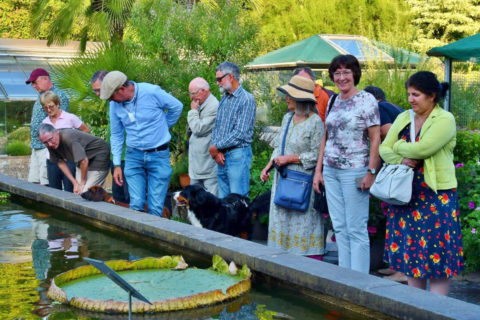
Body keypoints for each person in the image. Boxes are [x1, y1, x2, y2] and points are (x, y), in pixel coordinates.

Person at [379, 71, 464, 295]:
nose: (410, 100)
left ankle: (437, 312)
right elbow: (383, 149)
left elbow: (423, 149)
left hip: (436, 197)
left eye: (416, 95)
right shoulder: (403, 117)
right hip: (405, 197)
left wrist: (398, 147)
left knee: (438, 263)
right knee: (412, 259)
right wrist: (402, 157)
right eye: (409, 94)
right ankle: (417, 310)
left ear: (432, 96)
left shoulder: (445, 119)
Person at [313, 54, 381, 273]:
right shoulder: (333, 100)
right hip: (331, 171)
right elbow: (326, 136)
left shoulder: (367, 100)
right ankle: (345, 277)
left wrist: (371, 171)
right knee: (339, 227)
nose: (341, 77)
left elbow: (375, 138)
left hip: (355, 171)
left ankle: (359, 281)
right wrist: (319, 171)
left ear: (355, 74)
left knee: (356, 228)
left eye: (346, 72)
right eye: (337, 73)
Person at [100, 71, 183, 216]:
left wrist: (163, 126)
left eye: (112, 97)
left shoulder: (151, 92)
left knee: (156, 207)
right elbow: (116, 134)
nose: (111, 101)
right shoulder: (114, 106)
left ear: (121, 89)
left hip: (159, 154)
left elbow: (177, 107)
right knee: (136, 204)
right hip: (133, 155)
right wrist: (117, 164)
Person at [261, 75, 324, 256]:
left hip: (302, 182)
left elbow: (317, 154)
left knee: (303, 222)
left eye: (291, 95)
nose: (286, 98)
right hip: (282, 180)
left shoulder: (315, 122)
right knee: (282, 220)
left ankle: (307, 262)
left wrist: (290, 159)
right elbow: (279, 147)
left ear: (301, 99)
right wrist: (268, 166)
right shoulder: (287, 118)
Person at [209, 61, 256, 198]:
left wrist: (216, 147)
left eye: (219, 79)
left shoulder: (247, 99)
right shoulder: (225, 98)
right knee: (224, 204)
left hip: (237, 155)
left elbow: (240, 133)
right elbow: (217, 126)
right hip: (222, 156)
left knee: (238, 202)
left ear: (230, 77)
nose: (217, 83)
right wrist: (217, 150)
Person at [90, 70, 130, 204]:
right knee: (118, 197)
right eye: (94, 91)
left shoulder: (122, 101)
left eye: (98, 90)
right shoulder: (111, 103)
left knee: (128, 197)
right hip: (116, 156)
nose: (97, 94)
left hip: (127, 156)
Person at [26, 68, 69, 186]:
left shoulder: (58, 96)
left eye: (35, 82)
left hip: (47, 147)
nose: (34, 86)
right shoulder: (41, 95)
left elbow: (60, 123)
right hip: (36, 146)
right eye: (32, 84)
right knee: (32, 183)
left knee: (46, 184)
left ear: (45, 79)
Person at [38, 124, 110, 194]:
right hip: (83, 158)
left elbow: (84, 161)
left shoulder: (69, 137)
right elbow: (60, 162)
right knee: (78, 191)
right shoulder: (50, 143)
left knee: (86, 192)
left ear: (56, 132)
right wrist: (75, 183)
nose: (50, 144)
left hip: (98, 154)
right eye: (45, 142)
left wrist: (82, 182)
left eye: (50, 139)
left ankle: (104, 201)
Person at [40, 91, 90, 192]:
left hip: (69, 161)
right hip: (52, 160)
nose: (49, 110)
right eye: (45, 108)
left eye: (51, 106)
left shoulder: (70, 118)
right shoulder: (45, 122)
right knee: (54, 192)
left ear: (58, 104)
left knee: (70, 190)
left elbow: (86, 131)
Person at [187, 77, 219, 195]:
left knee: (211, 202)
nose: (191, 97)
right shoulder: (200, 103)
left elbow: (198, 129)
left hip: (207, 165)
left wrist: (193, 112)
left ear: (203, 90)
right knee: (194, 202)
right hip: (197, 165)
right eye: (190, 93)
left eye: (193, 93)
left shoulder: (214, 106)